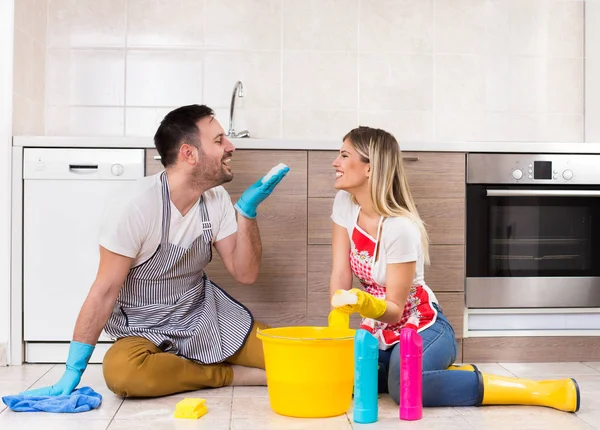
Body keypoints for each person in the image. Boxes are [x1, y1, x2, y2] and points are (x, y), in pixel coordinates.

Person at [21, 104, 289, 398]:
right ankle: (224, 374)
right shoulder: (135, 205)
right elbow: (105, 290)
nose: (230, 147)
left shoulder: (216, 199)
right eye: (218, 140)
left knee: (294, 357)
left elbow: (245, 273)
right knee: (123, 373)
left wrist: (247, 213)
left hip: (203, 316)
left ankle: (188, 366)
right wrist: (72, 370)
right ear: (189, 153)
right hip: (141, 327)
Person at [328, 126, 580, 413]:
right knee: (345, 378)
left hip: (421, 326)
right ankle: (448, 374)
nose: (335, 162)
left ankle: (536, 390)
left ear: (370, 168)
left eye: (344, 155)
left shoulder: (400, 228)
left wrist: (361, 302)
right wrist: (335, 326)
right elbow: (340, 273)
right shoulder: (345, 205)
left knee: (404, 387)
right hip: (379, 328)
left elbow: (396, 309)